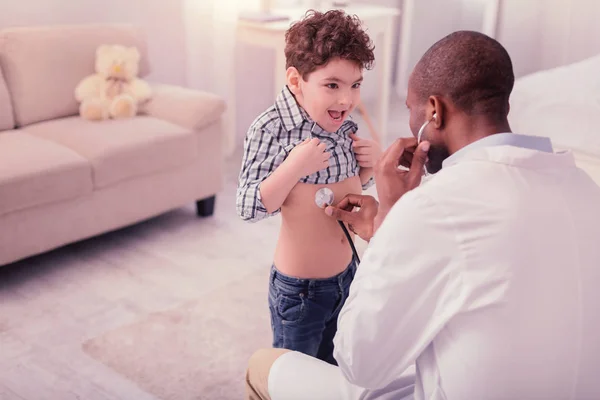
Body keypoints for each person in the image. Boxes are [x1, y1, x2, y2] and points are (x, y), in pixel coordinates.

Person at [245, 30, 600, 400]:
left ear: (435, 110)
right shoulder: (586, 189)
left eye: (410, 110)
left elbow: (358, 361)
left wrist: (396, 219)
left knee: (264, 365)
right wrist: (392, 232)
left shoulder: (436, 206)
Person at [236, 10, 381, 365]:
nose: (346, 100)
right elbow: (248, 206)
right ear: (296, 80)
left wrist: (370, 168)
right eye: (332, 85)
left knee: (336, 367)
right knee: (295, 374)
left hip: (347, 274)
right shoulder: (271, 128)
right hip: (301, 291)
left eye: (355, 85)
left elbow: (343, 192)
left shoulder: (344, 122)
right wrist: (294, 167)